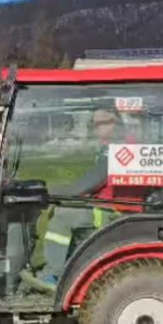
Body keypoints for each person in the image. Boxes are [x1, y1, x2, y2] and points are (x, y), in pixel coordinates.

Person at [39, 108, 120, 286]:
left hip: (115, 211)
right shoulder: (109, 149)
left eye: (101, 124)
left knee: (62, 214)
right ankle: (66, 263)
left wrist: (45, 191)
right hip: (107, 205)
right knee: (62, 209)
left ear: (115, 123)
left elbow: (85, 186)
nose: (96, 129)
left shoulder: (116, 151)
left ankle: (53, 274)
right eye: (94, 124)